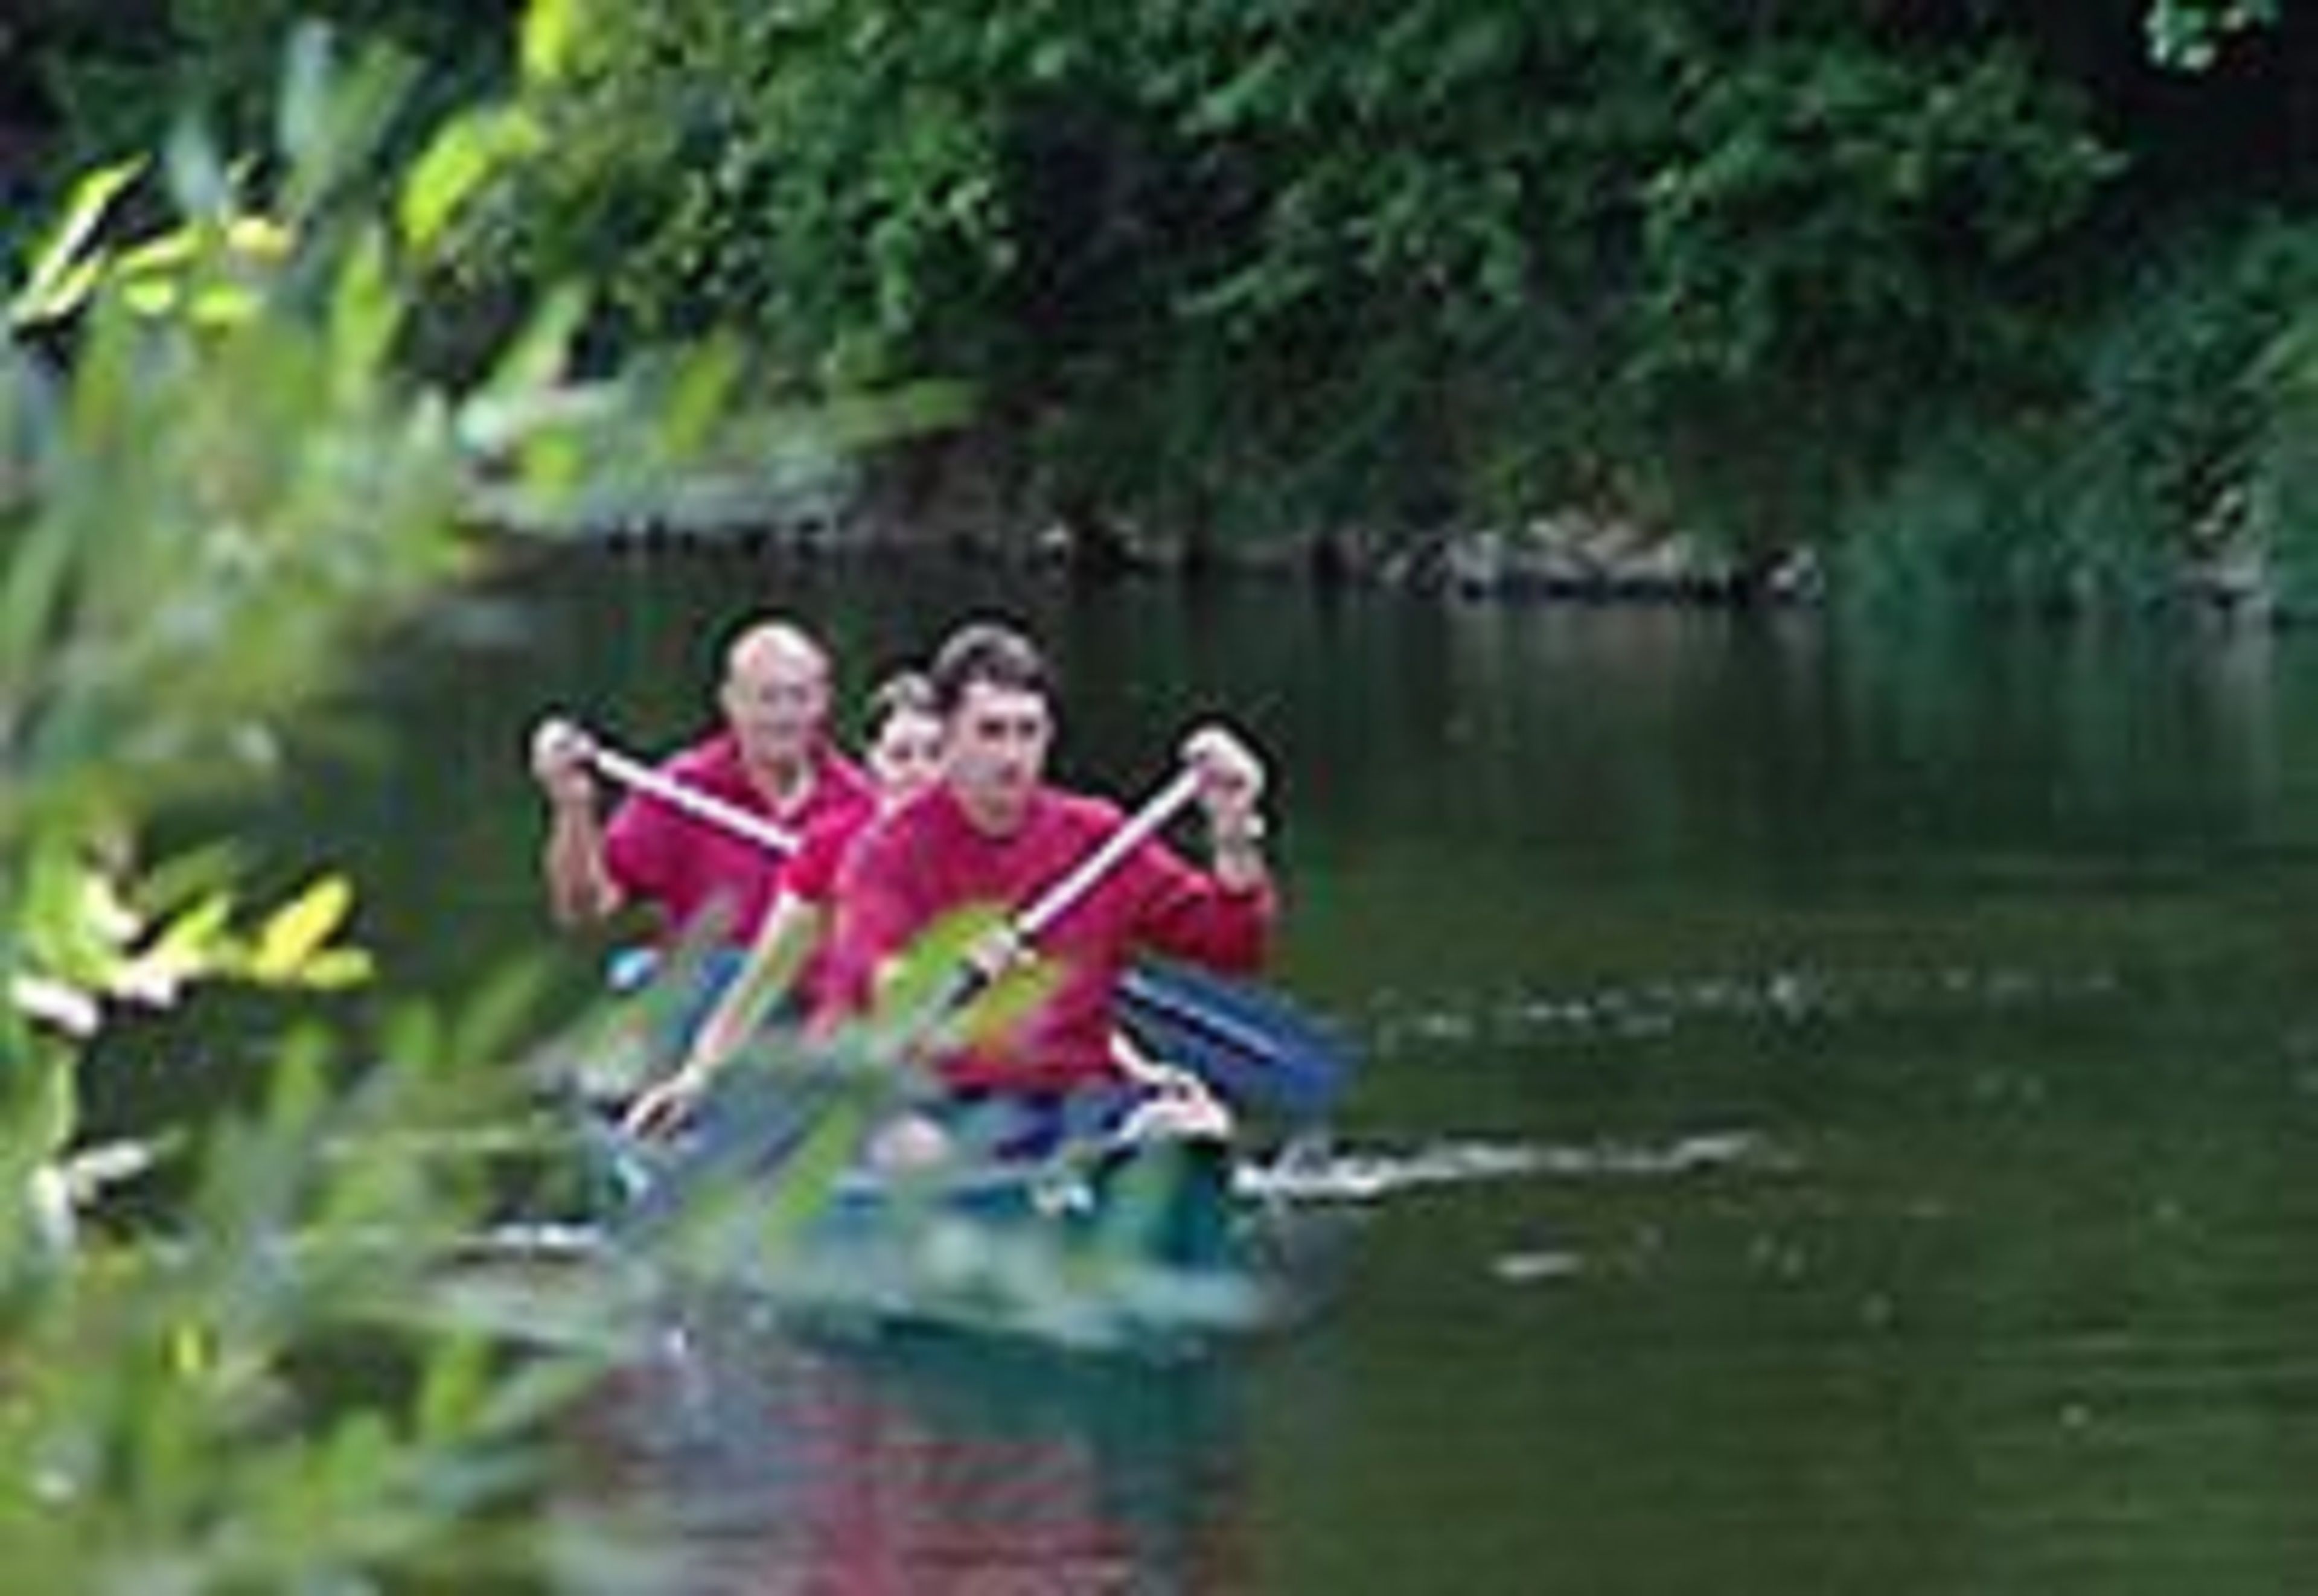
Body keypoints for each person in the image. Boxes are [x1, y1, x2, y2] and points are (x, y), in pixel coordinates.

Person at [814, 619, 1275, 1158]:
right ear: (948, 737)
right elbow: (872, 981)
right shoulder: (887, 852)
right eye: (991, 732)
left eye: (1028, 731)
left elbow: (1235, 945)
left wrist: (1233, 830)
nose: (1013, 756)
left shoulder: (1099, 838)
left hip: (1079, 1102)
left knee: (1197, 1127)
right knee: (913, 1151)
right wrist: (943, 970)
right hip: (945, 1104)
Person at [620, 670, 944, 1138]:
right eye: (901, 756)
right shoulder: (832, 846)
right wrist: (696, 1076)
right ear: (874, 764)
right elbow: (763, 980)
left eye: (935, 755)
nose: (919, 772)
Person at [528, 617, 873, 948]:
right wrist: (573, 807)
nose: (784, 716)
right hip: (712, 995)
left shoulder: (863, 802)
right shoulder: (681, 790)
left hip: (820, 996)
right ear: (731, 702)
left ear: (825, 700)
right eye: (767, 698)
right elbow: (586, 910)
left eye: (800, 697)